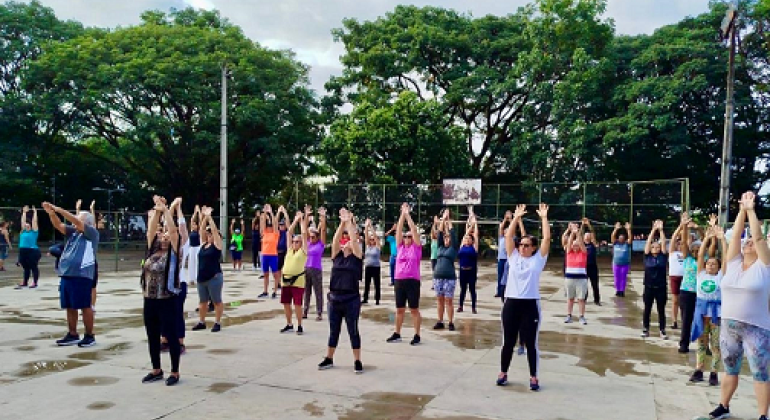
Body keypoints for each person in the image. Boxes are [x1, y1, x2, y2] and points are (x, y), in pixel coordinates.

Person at [705, 191, 770, 420]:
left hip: (756, 328)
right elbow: (734, 239)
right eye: (746, 241)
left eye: (751, 240)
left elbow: (760, 239)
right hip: (729, 326)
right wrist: (741, 210)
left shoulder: (764, 266)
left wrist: (751, 211)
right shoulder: (732, 263)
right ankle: (724, 406)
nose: (748, 242)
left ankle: (763, 415)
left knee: (759, 372)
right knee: (730, 369)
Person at [498, 203, 551, 391]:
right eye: (521, 244)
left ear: (534, 248)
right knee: (509, 341)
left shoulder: (538, 259)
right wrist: (516, 218)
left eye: (526, 245)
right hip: (511, 303)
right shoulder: (513, 257)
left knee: (530, 343)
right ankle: (503, 372)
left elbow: (546, 238)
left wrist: (544, 218)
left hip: (530, 305)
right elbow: (507, 236)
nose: (522, 247)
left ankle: (533, 376)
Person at [42, 201, 99, 348]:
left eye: (79, 219)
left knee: (85, 306)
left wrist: (60, 209)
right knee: (69, 306)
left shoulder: (91, 233)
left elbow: (74, 221)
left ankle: (89, 335)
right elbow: (59, 225)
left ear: (86, 222)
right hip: (67, 274)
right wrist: (52, 214)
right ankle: (72, 334)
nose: (75, 223)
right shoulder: (74, 233)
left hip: (82, 275)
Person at [141, 196, 183, 386]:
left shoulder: (174, 253)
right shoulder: (151, 251)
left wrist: (166, 209)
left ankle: (174, 372)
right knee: (152, 335)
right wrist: (157, 210)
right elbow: (151, 229)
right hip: (150, 299)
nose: (164, 236)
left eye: (166, 235)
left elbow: (174, 231)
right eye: (161, 234)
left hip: (168, 299)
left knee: (172, 335)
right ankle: (156, 369)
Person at [317, 208, 365, 373]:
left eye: (350, 241)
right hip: (335, 299)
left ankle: (357, 360)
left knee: (353, 330)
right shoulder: (337, 257)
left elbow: (353, 239)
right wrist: (342, 222)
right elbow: (336, 240)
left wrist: (349, 224)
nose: (347, 242)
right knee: (333, 330)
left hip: (351, 299)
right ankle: (329, 358)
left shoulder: (357, 258)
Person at [689, 217, 725, 386]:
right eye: (708, 263)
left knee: (716, 345)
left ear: (718, 267)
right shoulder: (701, 274)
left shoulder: (721, 277)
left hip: (716, 315)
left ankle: (714, 372)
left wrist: (721, 239)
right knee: (701, 343)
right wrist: (706, 238)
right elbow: (701, 254)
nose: (710, 265)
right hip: (701, 313)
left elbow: (725, 258)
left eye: (714, 264)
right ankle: (699, 369)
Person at [386, 203, 423, 346]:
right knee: (399, 309)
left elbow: (413, 229)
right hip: (399, 280)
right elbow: (399, 230)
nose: (407, 238)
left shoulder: (416, 248)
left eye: (409, 237)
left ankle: (417, 334)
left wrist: (408, 215)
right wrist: (402, 214)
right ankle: (397, 333)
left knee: (414, 309)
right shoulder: (400, 247)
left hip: (412, 281)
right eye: (405, 237)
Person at [162, 199, 192, 354]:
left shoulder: (183, 246)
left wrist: (177, 208)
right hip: (164, 284)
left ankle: (180, 343)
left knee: (176, 314)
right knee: (164, 314)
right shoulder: (163, 248)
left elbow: (181, 227)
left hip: (179, 284)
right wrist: (168, 208)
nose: (166, 237)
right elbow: (165, 224)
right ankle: (165, 339)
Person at [192, 206, 224, 333]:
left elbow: (215, 231)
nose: (210, 235)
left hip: (214, 278)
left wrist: (210, 218)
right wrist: (204, 217)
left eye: (211, 234)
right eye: (209, 234)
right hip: (202, 278)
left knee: (216, 301)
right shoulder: (203, 245)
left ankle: (217, 322)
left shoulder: (217, 246)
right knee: (202, 302)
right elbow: (201, 231)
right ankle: (202, 321)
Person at [280, 211, 308, 335]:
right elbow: (288, 233)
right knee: (286, 303)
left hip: (298, 281)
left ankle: (300, 325)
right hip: (286, 280)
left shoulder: (303, 251)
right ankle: (289, 323)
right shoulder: (290, 250)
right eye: (294, 241)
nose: (295, 243)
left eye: (297, 242)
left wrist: (302, 221)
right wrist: (295, 220)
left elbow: (304, 234)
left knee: (297, 304)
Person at [641, 220, 668, 339]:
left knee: (661, 310)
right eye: (653, 247)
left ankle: (662, 330)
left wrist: (661, 230)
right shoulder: (647, 257)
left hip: (661, 288)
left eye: (657, 246)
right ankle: (646, 329)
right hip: (649, 287)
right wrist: (653, 230)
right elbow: (648, 243)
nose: (655, 248)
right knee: (647, 309)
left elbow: (663, 243)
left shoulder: (663, 257)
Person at [678, 214, 701, 354]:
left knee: (703, 319)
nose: (696, 251)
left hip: (701, 292)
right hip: (686, 292)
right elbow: (685, 243)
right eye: (694, 250)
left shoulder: (704, 259)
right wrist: (684, 226)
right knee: (686, 320)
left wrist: (699, 229)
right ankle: (684, 344)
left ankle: (705, 346)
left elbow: (707, 243)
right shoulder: (687, 258)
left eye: (699, 249)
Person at [432, 212, 457, 331]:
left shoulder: (453, 248)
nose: (447, 239)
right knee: (439, 300)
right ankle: (440, 321)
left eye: (448, 238)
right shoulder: (440, 247)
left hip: (449, 277)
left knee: (448, 300)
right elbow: (440, 233)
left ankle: (451, 322)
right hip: (438, 276)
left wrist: (449, 220)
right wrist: (442, 220)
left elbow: (452, 233)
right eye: (445, 238)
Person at [304, 206, 327, 320]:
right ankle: (305, 311)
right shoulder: (308, 243)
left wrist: (323, 217)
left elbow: (323, 230)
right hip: (306, 269)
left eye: (313, 236)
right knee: (306, 292)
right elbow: (304, 229)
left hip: (316, 269)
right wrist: (306, 215)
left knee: (318, 292)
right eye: (310, 236)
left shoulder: (320, 244)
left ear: (317, 237)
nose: (311, 238)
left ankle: (319, 313)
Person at [563, 222, 588, 325]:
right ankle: (569, 315)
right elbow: (569, 243)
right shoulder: (569, 252)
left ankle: (581, 316)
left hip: (581, 279)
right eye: (574, 245)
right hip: (569, 279)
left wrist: (577, 234)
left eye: (577, 245)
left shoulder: (583, 253)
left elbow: (581, 243)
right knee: (570, 298)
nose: (576, 246)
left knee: (581, 299)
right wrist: (572, 233)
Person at [458, 209, 479, 314]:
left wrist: (474, 222)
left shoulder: (474, 247)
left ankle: (474, 307)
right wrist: (470, 219)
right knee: (462, 290)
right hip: (462, 271)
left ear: (472, 240)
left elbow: (475, 234)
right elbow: (465, 234)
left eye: (468, 239)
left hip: (471, 271)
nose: (467, 239)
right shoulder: (462, 246)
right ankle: (460, 306)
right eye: (466, 238)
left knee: (472, 290)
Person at [258, 204, 281, 299]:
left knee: (275, 274)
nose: (269, 227)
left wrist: (271, 212)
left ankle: (275, 291)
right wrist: (264, 212)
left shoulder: (275, 234)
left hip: (273, 255)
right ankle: (265, 291)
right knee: (266, 274)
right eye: (268, 226)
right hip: (265, 255)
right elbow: (262, 224)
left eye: (270, 226)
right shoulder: (265, 233)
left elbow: (275, 223)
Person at [667, 221, 687, 330]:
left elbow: (685, 240)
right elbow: (673, 238)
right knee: (675, 300)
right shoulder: (672, 253)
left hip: (685, 278)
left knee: (684, 301)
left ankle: (684, 319)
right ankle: (674, 321)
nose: (679, 245)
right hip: (674, 277)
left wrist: (685, 228)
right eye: (678, 244)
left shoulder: (686, 254)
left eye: (681, 244)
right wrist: (680, 226)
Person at [16, 206, 41, 289]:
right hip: (22, 251)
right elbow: (22, 221)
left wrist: (35, 213)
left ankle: (35, 282)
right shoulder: (22, 232)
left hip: (32, 251)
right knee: (26, 267)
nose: (26, 226)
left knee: (33, 266)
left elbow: (34, 222)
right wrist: (24, 212)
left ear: (30, 226)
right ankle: (25, 282)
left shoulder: (34, 232)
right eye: (25, 226)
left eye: (28, 225)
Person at [362, 218, 381, 305]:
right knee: (367, 284)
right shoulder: (368, 247)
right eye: (371, 239)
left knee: (377, 283)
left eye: (373, 240)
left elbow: (376, 237)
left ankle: (377, 299)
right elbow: (366, 236)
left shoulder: (377, 247)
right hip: (368, 267)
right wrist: (366, 226)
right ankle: (365, 298)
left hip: (376, 267)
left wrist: (371, 227)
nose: (372, 240)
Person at [610, 222, 633, 297]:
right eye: (620, 238)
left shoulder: (627, 244)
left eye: (622, 238)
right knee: (617, 277)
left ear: (624, 239)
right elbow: (612, 236)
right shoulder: (615, 243)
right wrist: (616, 229)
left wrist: (628, 230)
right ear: (618, 238)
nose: (621, 239)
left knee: (623, 277)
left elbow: (630, 238)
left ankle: (622, 291)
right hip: (616, 263)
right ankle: (618, 290)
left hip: (625, 264)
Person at [581, 218, 600, 305]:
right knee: (584, 285)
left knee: (595, 284)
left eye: (589, 235)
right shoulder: (582, 244)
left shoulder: (593, 244)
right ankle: (584, 299)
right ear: (584, 237)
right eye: (586, 235)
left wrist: (588, 225)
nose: (588, 236)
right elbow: (579, 234)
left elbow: (593, 234)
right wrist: (582, 225)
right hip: (584, 267)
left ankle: (597, 300)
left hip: (593, 266)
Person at [276, 206, 290, 270]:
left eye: (283, 225)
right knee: (278, 269)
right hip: (278, 252)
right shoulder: (277, 232)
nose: (281, 226)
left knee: (285, 268)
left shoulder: (287, 232)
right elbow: (275, 222)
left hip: (285, 252)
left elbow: (288, 221)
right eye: (280, 225)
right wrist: (278, 212)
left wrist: (284, 212)